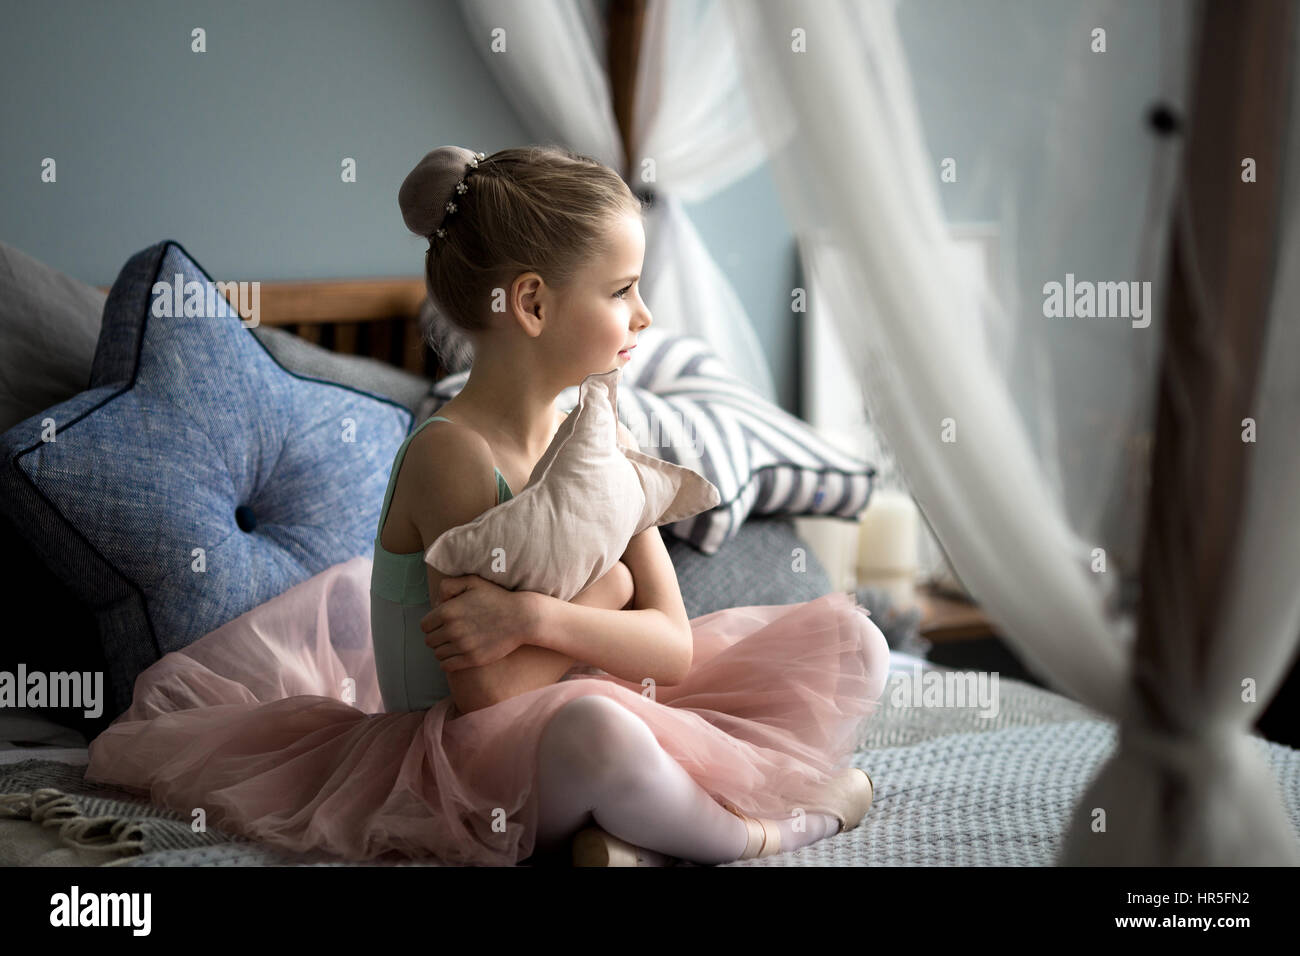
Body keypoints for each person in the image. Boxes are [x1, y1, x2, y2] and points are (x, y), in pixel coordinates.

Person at [85, 145, 891, 867]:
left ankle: (630, 833)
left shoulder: (601, 429)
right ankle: (777, 832)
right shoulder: (453, 457)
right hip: (473, 760)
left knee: (855, 642)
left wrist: (545, 618)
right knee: (601, 731)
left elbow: (673, 647)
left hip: (586, 694)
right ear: (533, 305)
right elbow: (495, 700)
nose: (644, 315)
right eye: (621, 291)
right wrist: (608, 598)